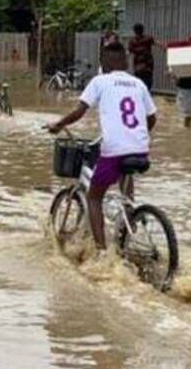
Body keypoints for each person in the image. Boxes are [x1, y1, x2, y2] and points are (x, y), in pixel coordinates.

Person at [46, 41, 158, 250]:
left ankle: (102, 252)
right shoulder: (138, 84)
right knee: (125, 177)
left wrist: (59, 125)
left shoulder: (100, 81)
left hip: (114, 149)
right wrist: (136, 136)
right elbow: (152, 118)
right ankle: (128, 220)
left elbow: (79, 112)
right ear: (126, 62)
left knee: (94, 197)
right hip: (140, 148)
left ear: (104, 64)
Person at [128, 23, 156, 90]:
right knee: (147, 85)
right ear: (142, 30)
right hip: (147, 66)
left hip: (139, 67)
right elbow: (156, 43)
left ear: (134, 31)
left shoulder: (132, 41)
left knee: (139, 85)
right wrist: (164, 46)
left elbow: (129, 51)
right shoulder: (148, 38)